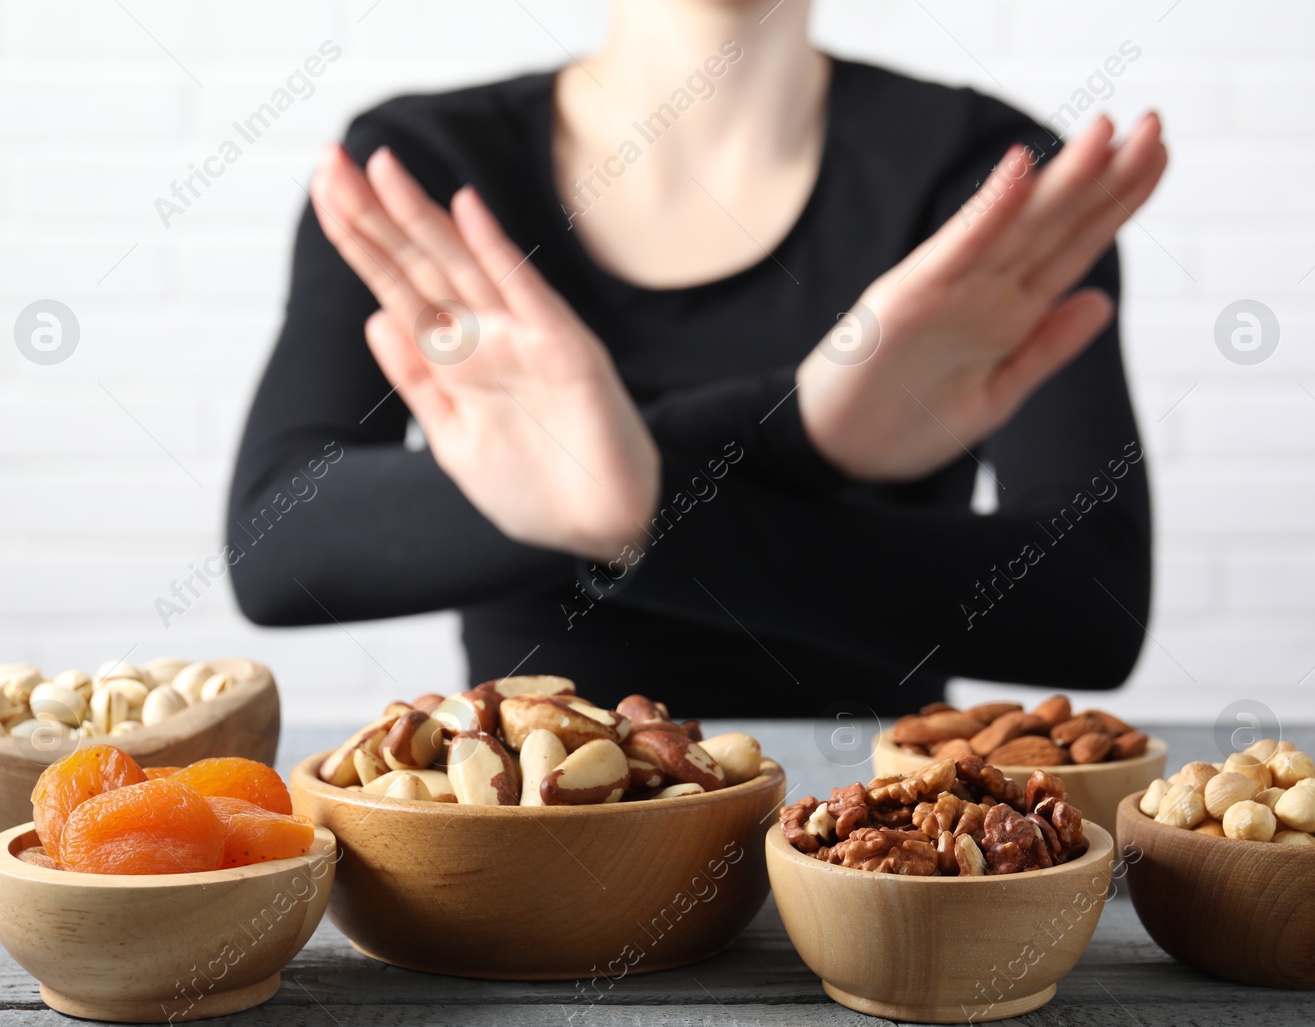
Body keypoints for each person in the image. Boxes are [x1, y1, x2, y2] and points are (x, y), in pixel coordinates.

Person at [227, 0, 1168, 719]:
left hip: (886, 854)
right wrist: (794, 432)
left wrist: (635, 505)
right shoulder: (420, 165)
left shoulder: (993, 181)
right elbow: (277, 542)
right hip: (526, 840)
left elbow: (1092, 602)